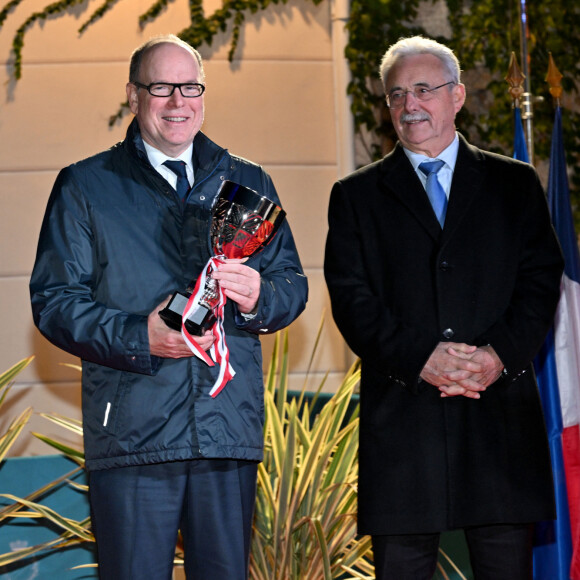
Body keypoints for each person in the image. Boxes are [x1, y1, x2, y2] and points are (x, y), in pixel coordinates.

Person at [30, 34, 307, 580]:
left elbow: (290, 283)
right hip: (134, 433)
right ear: (133, 96)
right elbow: (55, 302)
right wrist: (142, 336)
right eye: (161, 87)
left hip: (226, 431)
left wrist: (260, 298)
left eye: (190, 86)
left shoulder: (247, 180)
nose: (178, 101)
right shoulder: (86, 185)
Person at [324, 36, 564, 580]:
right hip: (405, 427)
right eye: (397, 94)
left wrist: (497, 356)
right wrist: (422, 359)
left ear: (456, 96)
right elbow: (352, 298)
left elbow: (540, 280)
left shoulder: (514, 183)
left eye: (424, 90)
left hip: (497, 417)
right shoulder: (355, 195)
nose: (410, 105)